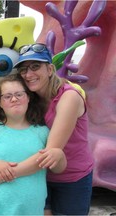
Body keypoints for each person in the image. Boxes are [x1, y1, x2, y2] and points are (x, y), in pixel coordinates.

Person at [0, 74, 66, 215]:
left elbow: (58, 169)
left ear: (28, 98)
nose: (14, 99)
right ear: (0, 103)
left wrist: (59, 155)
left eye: (19, 94)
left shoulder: (43, 132)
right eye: (7, 96)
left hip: (29, 209)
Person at [13, 43, 94, 215]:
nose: (28, 74)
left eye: (35, 67)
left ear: (50, 69)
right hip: (38, 177)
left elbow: (51, 152)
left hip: (72, 179)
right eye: (23, 69)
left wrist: (7, 173)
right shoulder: (30, 100)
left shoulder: (69, 97)